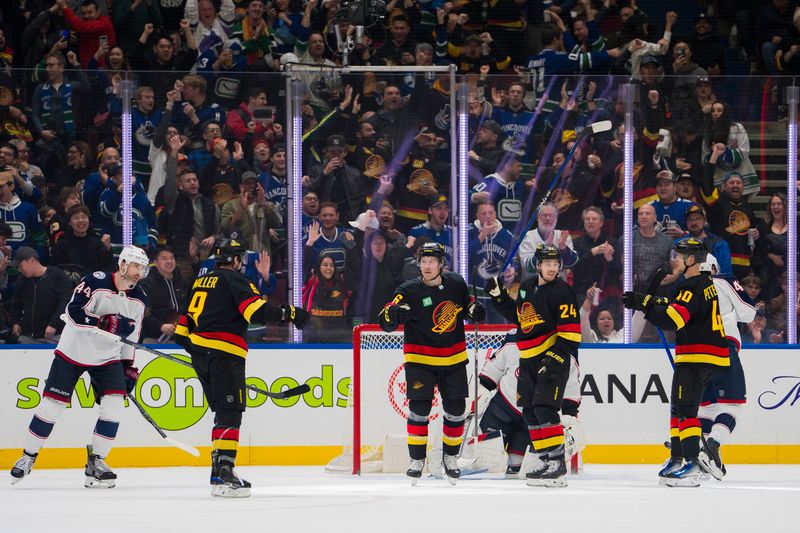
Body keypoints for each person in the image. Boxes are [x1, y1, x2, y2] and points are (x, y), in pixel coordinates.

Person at [173, 239, 309, 497]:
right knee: (230, 413)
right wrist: (291, 313)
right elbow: (256, 313)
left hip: (202, 356)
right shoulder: (235, 281)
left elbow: (181, 332)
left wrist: (201, 354)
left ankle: (218, 471)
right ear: (235, 261)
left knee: (222, 413)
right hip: (225, 355)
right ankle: (224, 474)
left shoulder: (199, 282)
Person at [10, 246, 150, 487]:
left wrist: (128, 366)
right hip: (73, 351)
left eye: (143, 268)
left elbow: (131, 337)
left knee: (114, 406)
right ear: (123, 264)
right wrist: (104, 322)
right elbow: (73, 311)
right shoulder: (95, 281)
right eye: (137, 266)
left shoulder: (140, 299)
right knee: (51, 406)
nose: (140, 272)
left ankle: (97, 462)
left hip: (108, 357)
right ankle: (28, 456)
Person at [623, 237, 729, 487]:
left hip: (697, 356)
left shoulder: (693, 285)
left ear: (691, 260)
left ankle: (692, 463)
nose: (675, 259)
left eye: (679, 255)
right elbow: (677, 306)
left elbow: (673, 319)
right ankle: (678, 457)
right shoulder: (700, 284)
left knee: (687, 411)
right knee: (678, 408)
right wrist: (648, 301)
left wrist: (646, 306)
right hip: (698, 355)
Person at [379, 242, 485, 485]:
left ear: (441, 264)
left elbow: (467, 304)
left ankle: (450, 459)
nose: (427, 266)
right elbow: (386, 317)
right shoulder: (407, 290)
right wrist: (392, 315)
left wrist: (474, 310)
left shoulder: (456, 283)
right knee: (419, 411)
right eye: (423, 261)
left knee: (457, 412)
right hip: (420, 360)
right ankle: (416, 460)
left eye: (432, 262)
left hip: (454, 358)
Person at [486, 244, 580, 487]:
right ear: (537, 265)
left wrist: (556, 358)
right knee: (529, 410)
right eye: (547, 264)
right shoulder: (527, 286)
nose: (552, 268)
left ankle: (557, 462)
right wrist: (499, 297)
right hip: (527, 357)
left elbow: (571, 333)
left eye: (555, 264)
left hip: (551, 357)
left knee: (544, 407)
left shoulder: (563, 292)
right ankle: (545, 458)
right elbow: (521, 319)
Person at [476, 327, 583, 478]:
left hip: (534, 417)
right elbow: (495, 367)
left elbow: (570, 385)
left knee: (519, 467)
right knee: (486, 457)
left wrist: (569, 414)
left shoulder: (563, 347)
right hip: (502, 407)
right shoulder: (515, 338)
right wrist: (483, 387)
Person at [696, 254, 756, 480]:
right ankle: (713, 445)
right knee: (732, 405)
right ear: (714, 267)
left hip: (695, 353)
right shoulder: (723, 281)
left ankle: (697, 456)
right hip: (722, 347)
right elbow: (749, 313)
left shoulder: (686, 289)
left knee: (706, 407)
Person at [8, 247, 74, 344]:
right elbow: (16, 303)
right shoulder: (22, 280)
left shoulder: (58, 276)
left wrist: (54, 324)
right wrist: (15, 322)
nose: (20, 270)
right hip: (27, 336)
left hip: (54, 336)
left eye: (21, 266)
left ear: (32, 260)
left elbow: (65, 302)